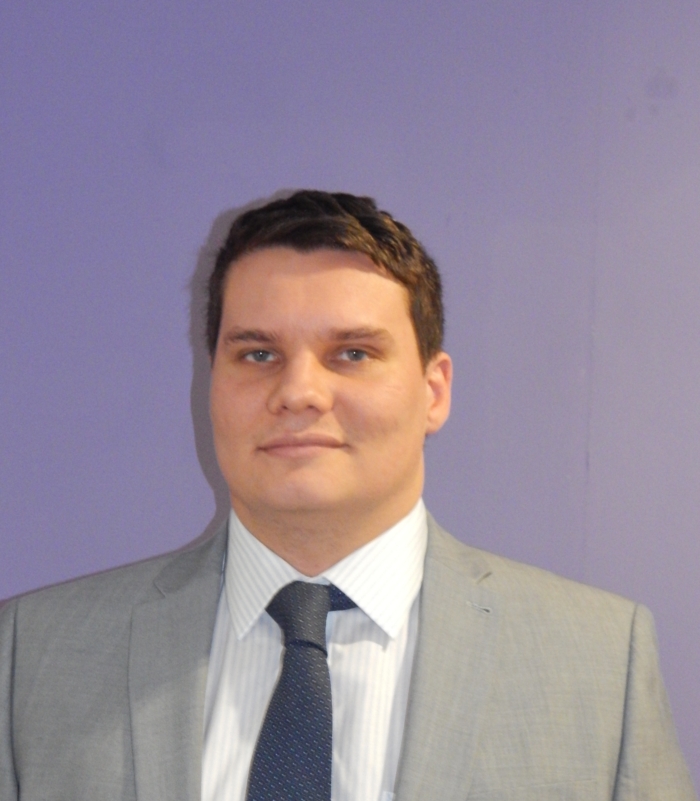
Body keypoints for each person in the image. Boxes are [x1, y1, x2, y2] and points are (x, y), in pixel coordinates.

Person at [0, 190, 695, 801]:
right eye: (258, 353)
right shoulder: (33, 656)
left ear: (434, 391)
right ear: (212, 382)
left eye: (352, 353)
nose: (298, 391)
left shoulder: (600, 663)